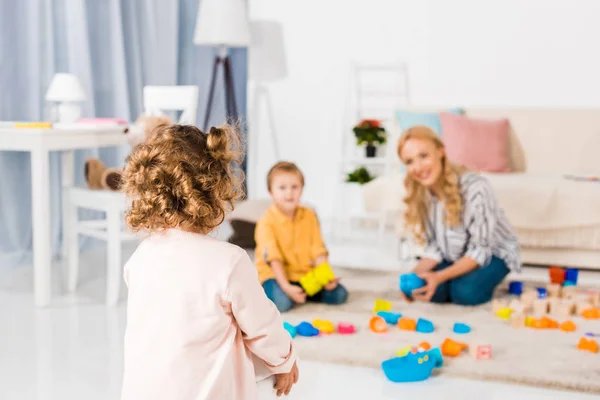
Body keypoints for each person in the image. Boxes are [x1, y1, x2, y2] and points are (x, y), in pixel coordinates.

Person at [119, 124, 298, 400]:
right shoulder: (229, 261)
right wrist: (284, 361)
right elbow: (263, 327)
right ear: (216, 191)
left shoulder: (140, 258)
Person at [397, 125, 520, 306]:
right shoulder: (422, 194)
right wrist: (414, 275)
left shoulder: (476, 188)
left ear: (440, 151)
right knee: (431, 290)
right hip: (456, 254)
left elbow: (480, 250)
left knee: (465, 293)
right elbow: (434, 249)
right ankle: (455, 278)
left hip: (493, 253)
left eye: (423, 156)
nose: (418, 167)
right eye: (409, 161)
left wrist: (439, 276)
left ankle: (479, 279)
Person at [255, 161, 348, 312]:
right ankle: (289, 294)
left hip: (303, 275)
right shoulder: (266, 222)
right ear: (271, 192)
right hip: (276, 276)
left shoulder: (310, 216)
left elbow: (318, 251)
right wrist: (286, 286)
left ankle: (298, 293)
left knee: (339, 294)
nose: (289, 193)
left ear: (302, 189)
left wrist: (326, 278)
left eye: (295, 187)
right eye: (282, 188)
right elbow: (273, 259)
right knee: (282, 303)